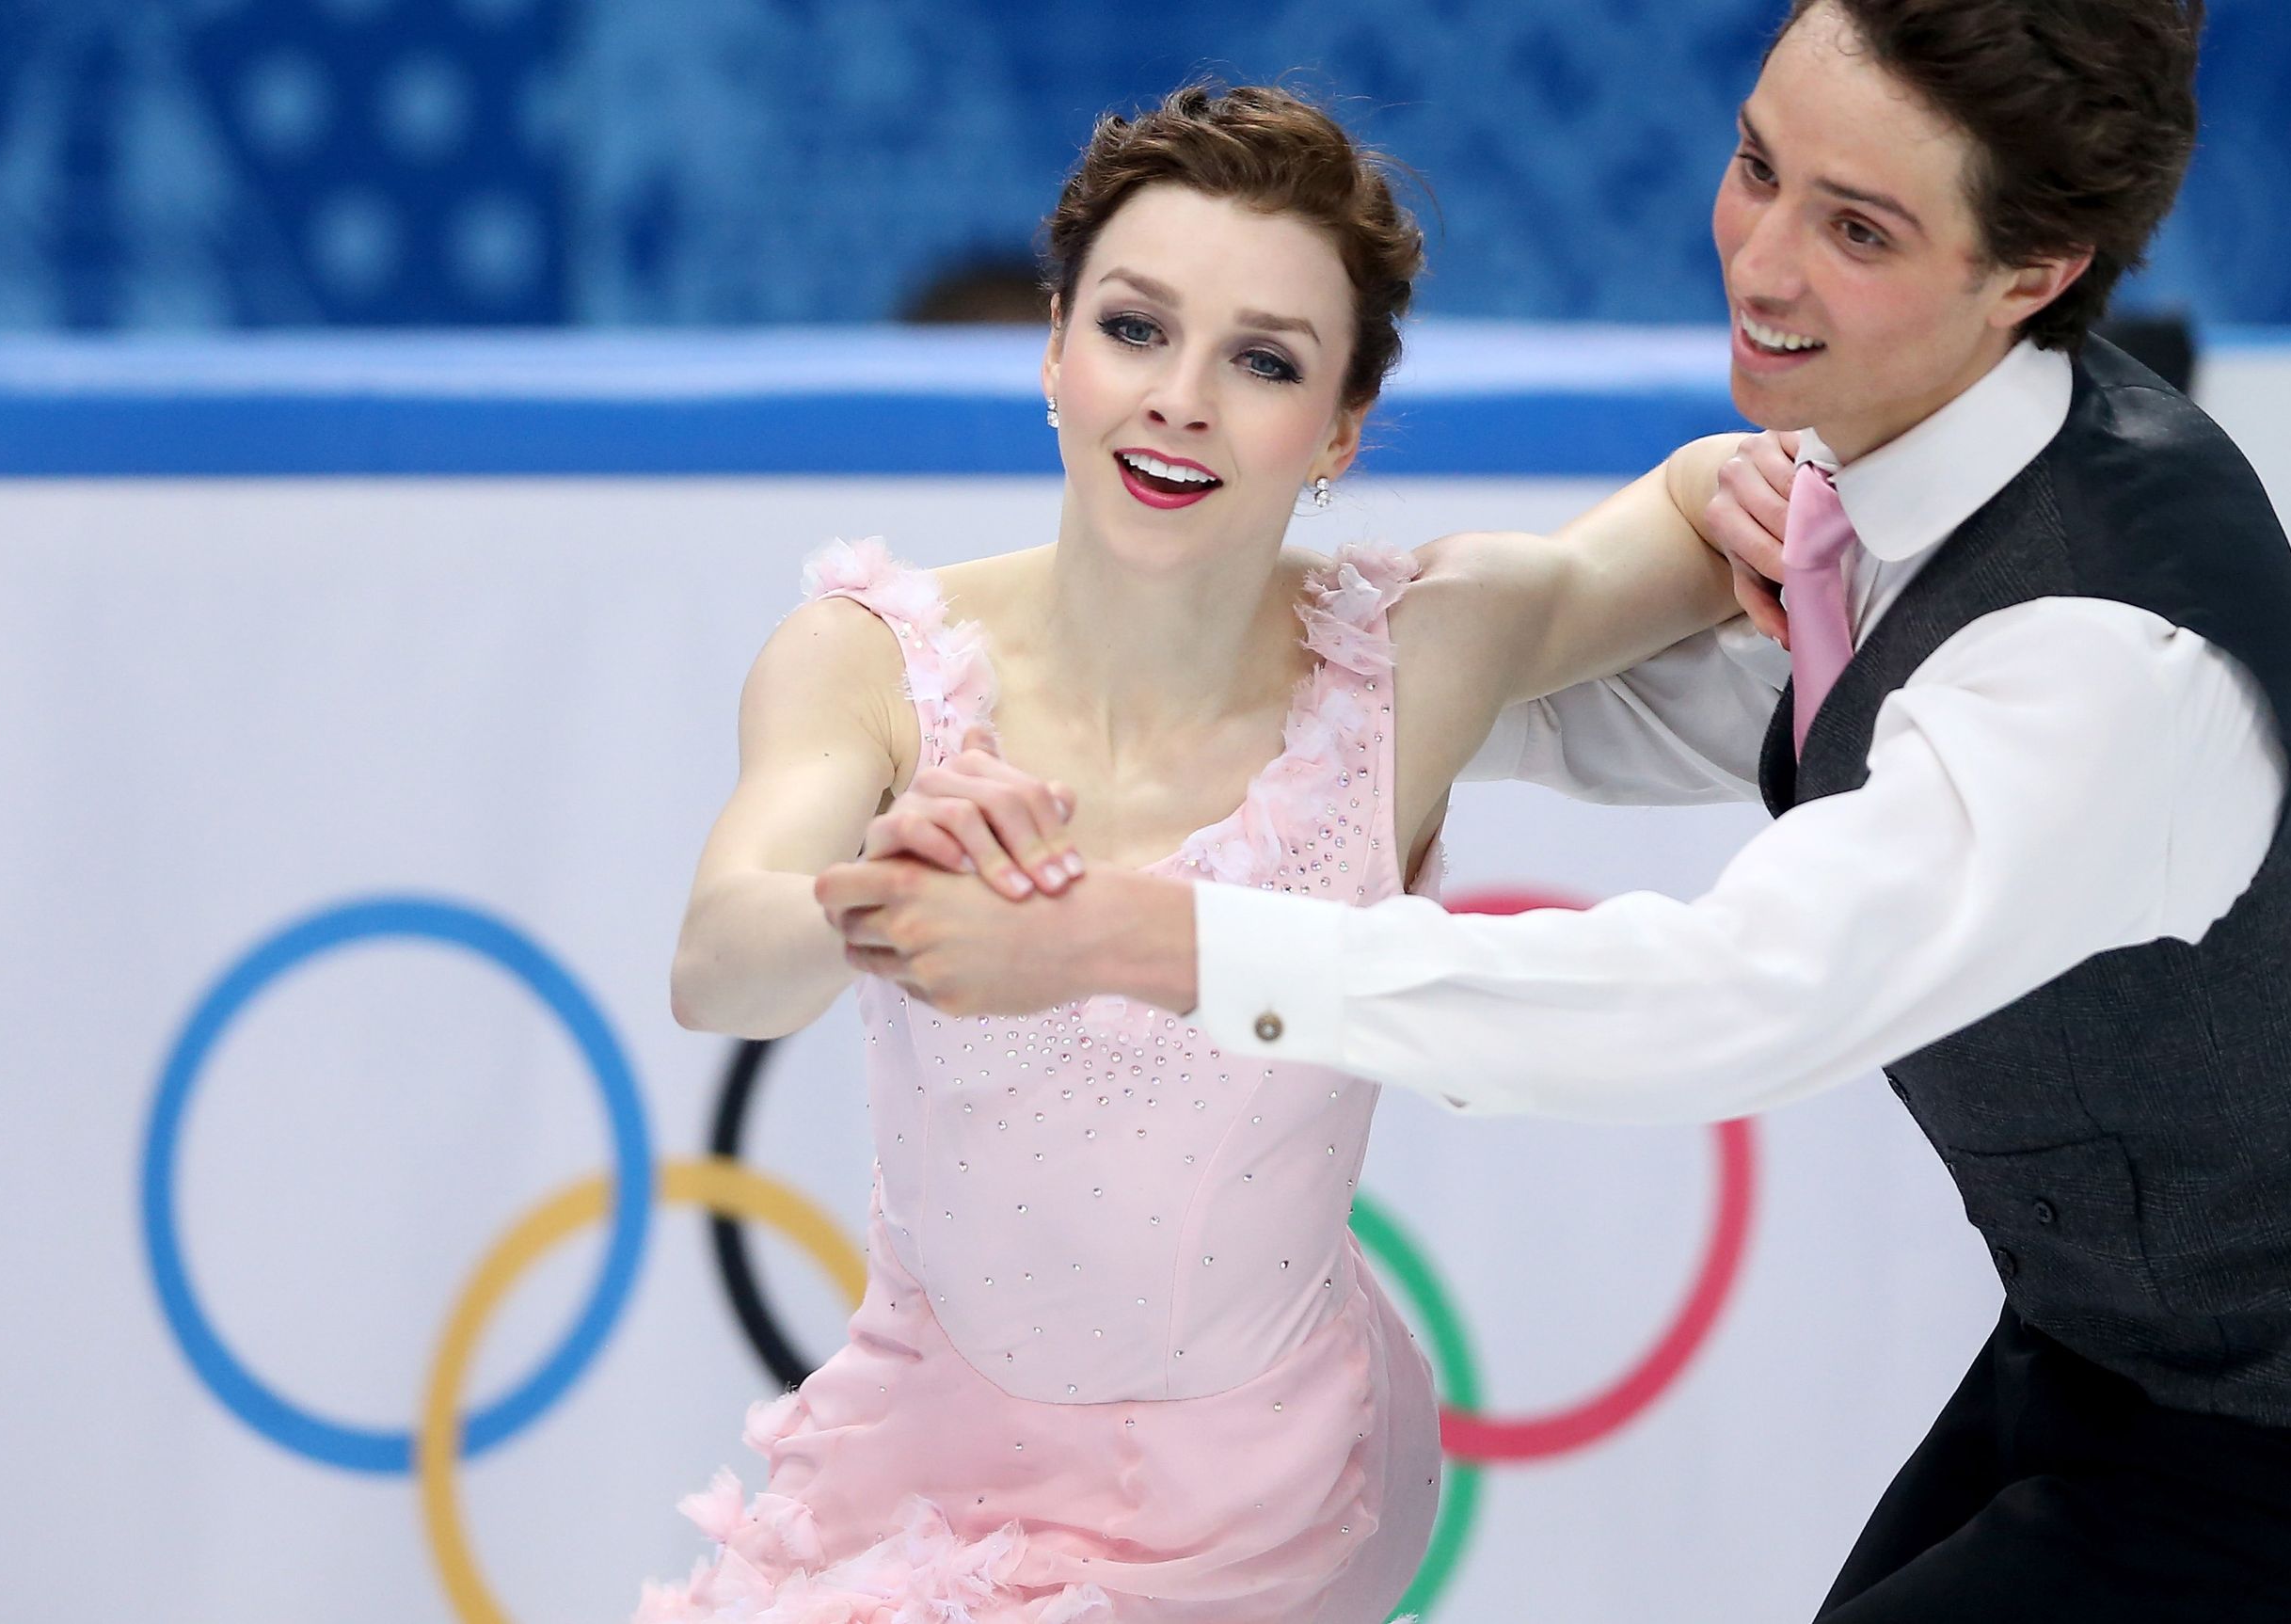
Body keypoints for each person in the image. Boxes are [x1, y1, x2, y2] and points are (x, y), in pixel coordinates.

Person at [830, 6, 2291, 1621]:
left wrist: (1154, 934)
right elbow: (1735, 701)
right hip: (2112, 1344)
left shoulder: (2095, 666)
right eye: (1760, 164)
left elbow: (1725, 996)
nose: (1760, 261)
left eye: (1859, 230)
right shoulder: (1892, 443)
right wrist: (1211, 672)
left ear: (2035, 270)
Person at [645, 84, 1754, 1623]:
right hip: (932, 1448)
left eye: (1263, 361)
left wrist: (1732, 485)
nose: (1179, 398)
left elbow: (1693, 518)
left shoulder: (1419, 656)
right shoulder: (869, 663)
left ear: (1342, 427)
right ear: (1053, 348)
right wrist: (865, 895)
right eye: (1136, 329)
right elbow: (719, 967)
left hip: (1270, 1475)